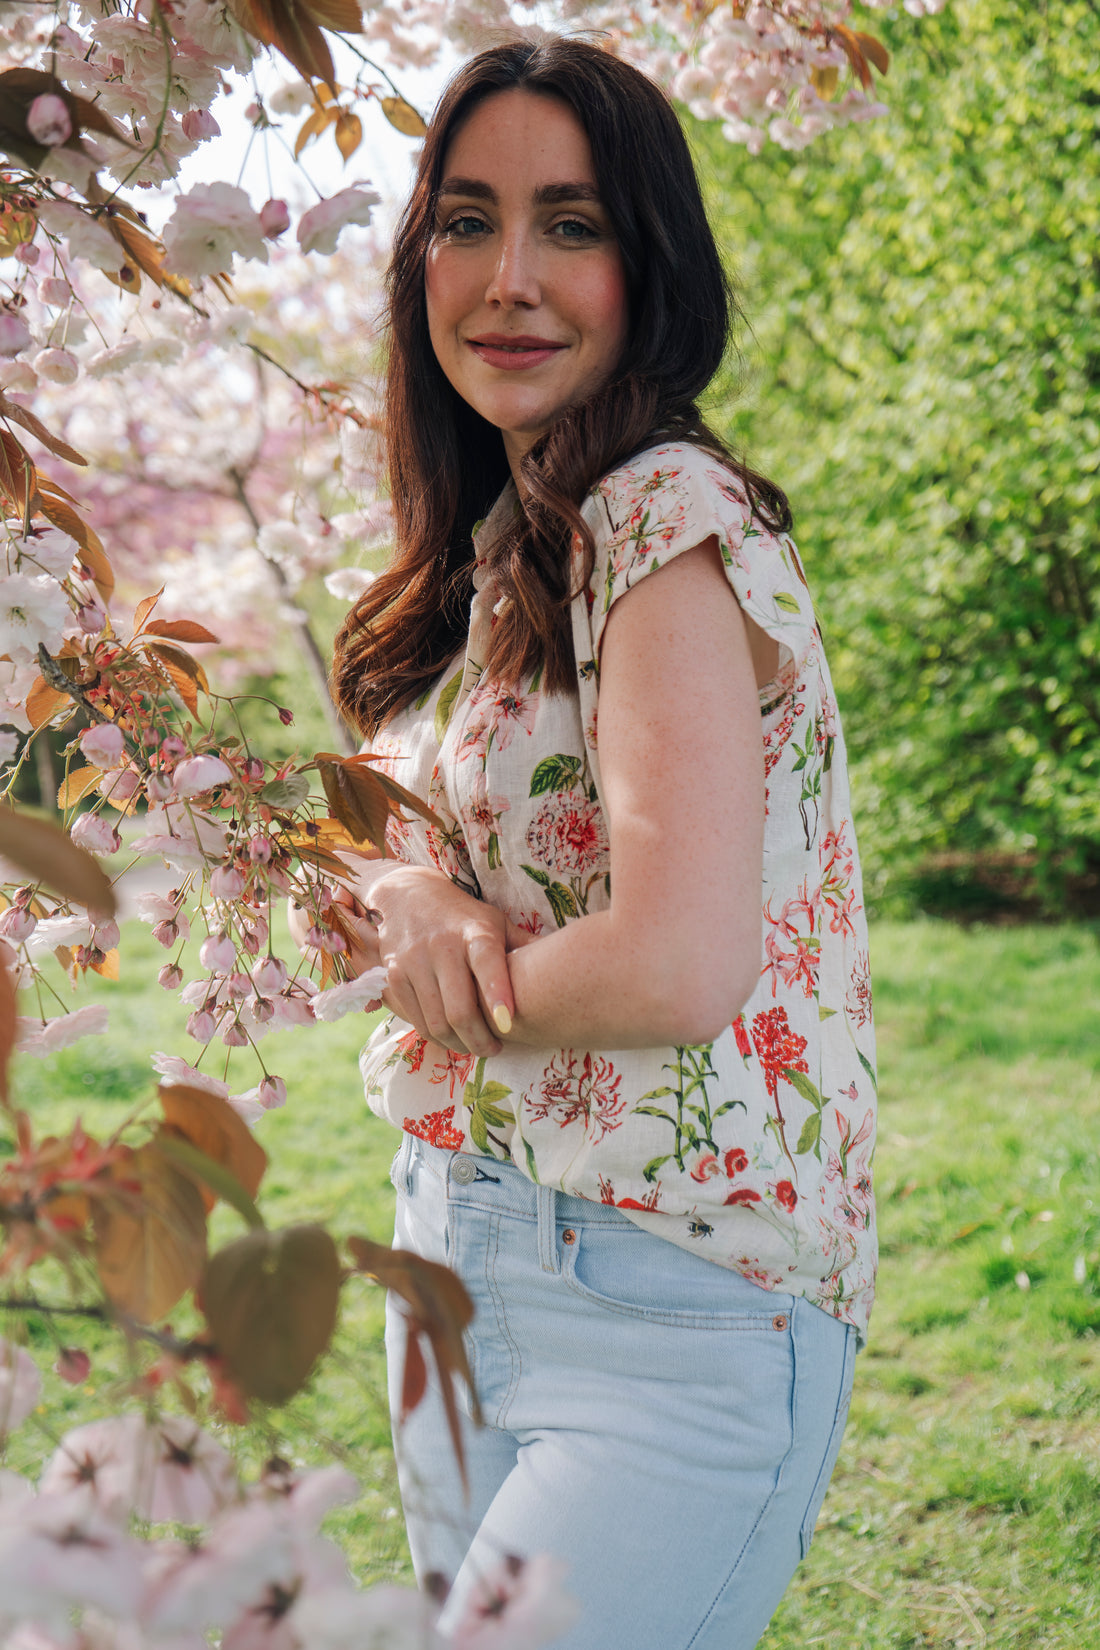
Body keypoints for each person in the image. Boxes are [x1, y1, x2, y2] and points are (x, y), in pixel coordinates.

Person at [325, 35, 877, 1650]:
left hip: (671, 1299)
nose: (510, 278)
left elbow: (677, 958)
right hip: (462, 1236)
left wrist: (428, 972)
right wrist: (407, 886)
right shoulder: (500, 540)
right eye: (469, 219)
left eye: (571, 224)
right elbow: (395, 840)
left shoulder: (659, 521)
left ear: (651, 265)